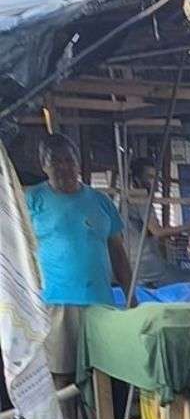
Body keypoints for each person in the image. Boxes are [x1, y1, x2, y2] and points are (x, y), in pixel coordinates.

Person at [26, 133, 132, 381]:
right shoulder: (33, 200)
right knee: (61, 374)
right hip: (55, 301)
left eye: (68, 160)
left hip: (99, 302)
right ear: (44, 166)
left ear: (78, 163)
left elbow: (118, 254)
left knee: (101, 374)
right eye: (55, 161)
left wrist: (131, 298)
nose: (63, 167)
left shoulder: (100, 202)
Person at [122, 157, 190, 289]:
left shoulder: (129, 198)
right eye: (150, 177)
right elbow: (157, 231)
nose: (155, 181)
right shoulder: (140, 197)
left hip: (135, 264)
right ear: (137, 180)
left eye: (156, 177)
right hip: (145, 267)